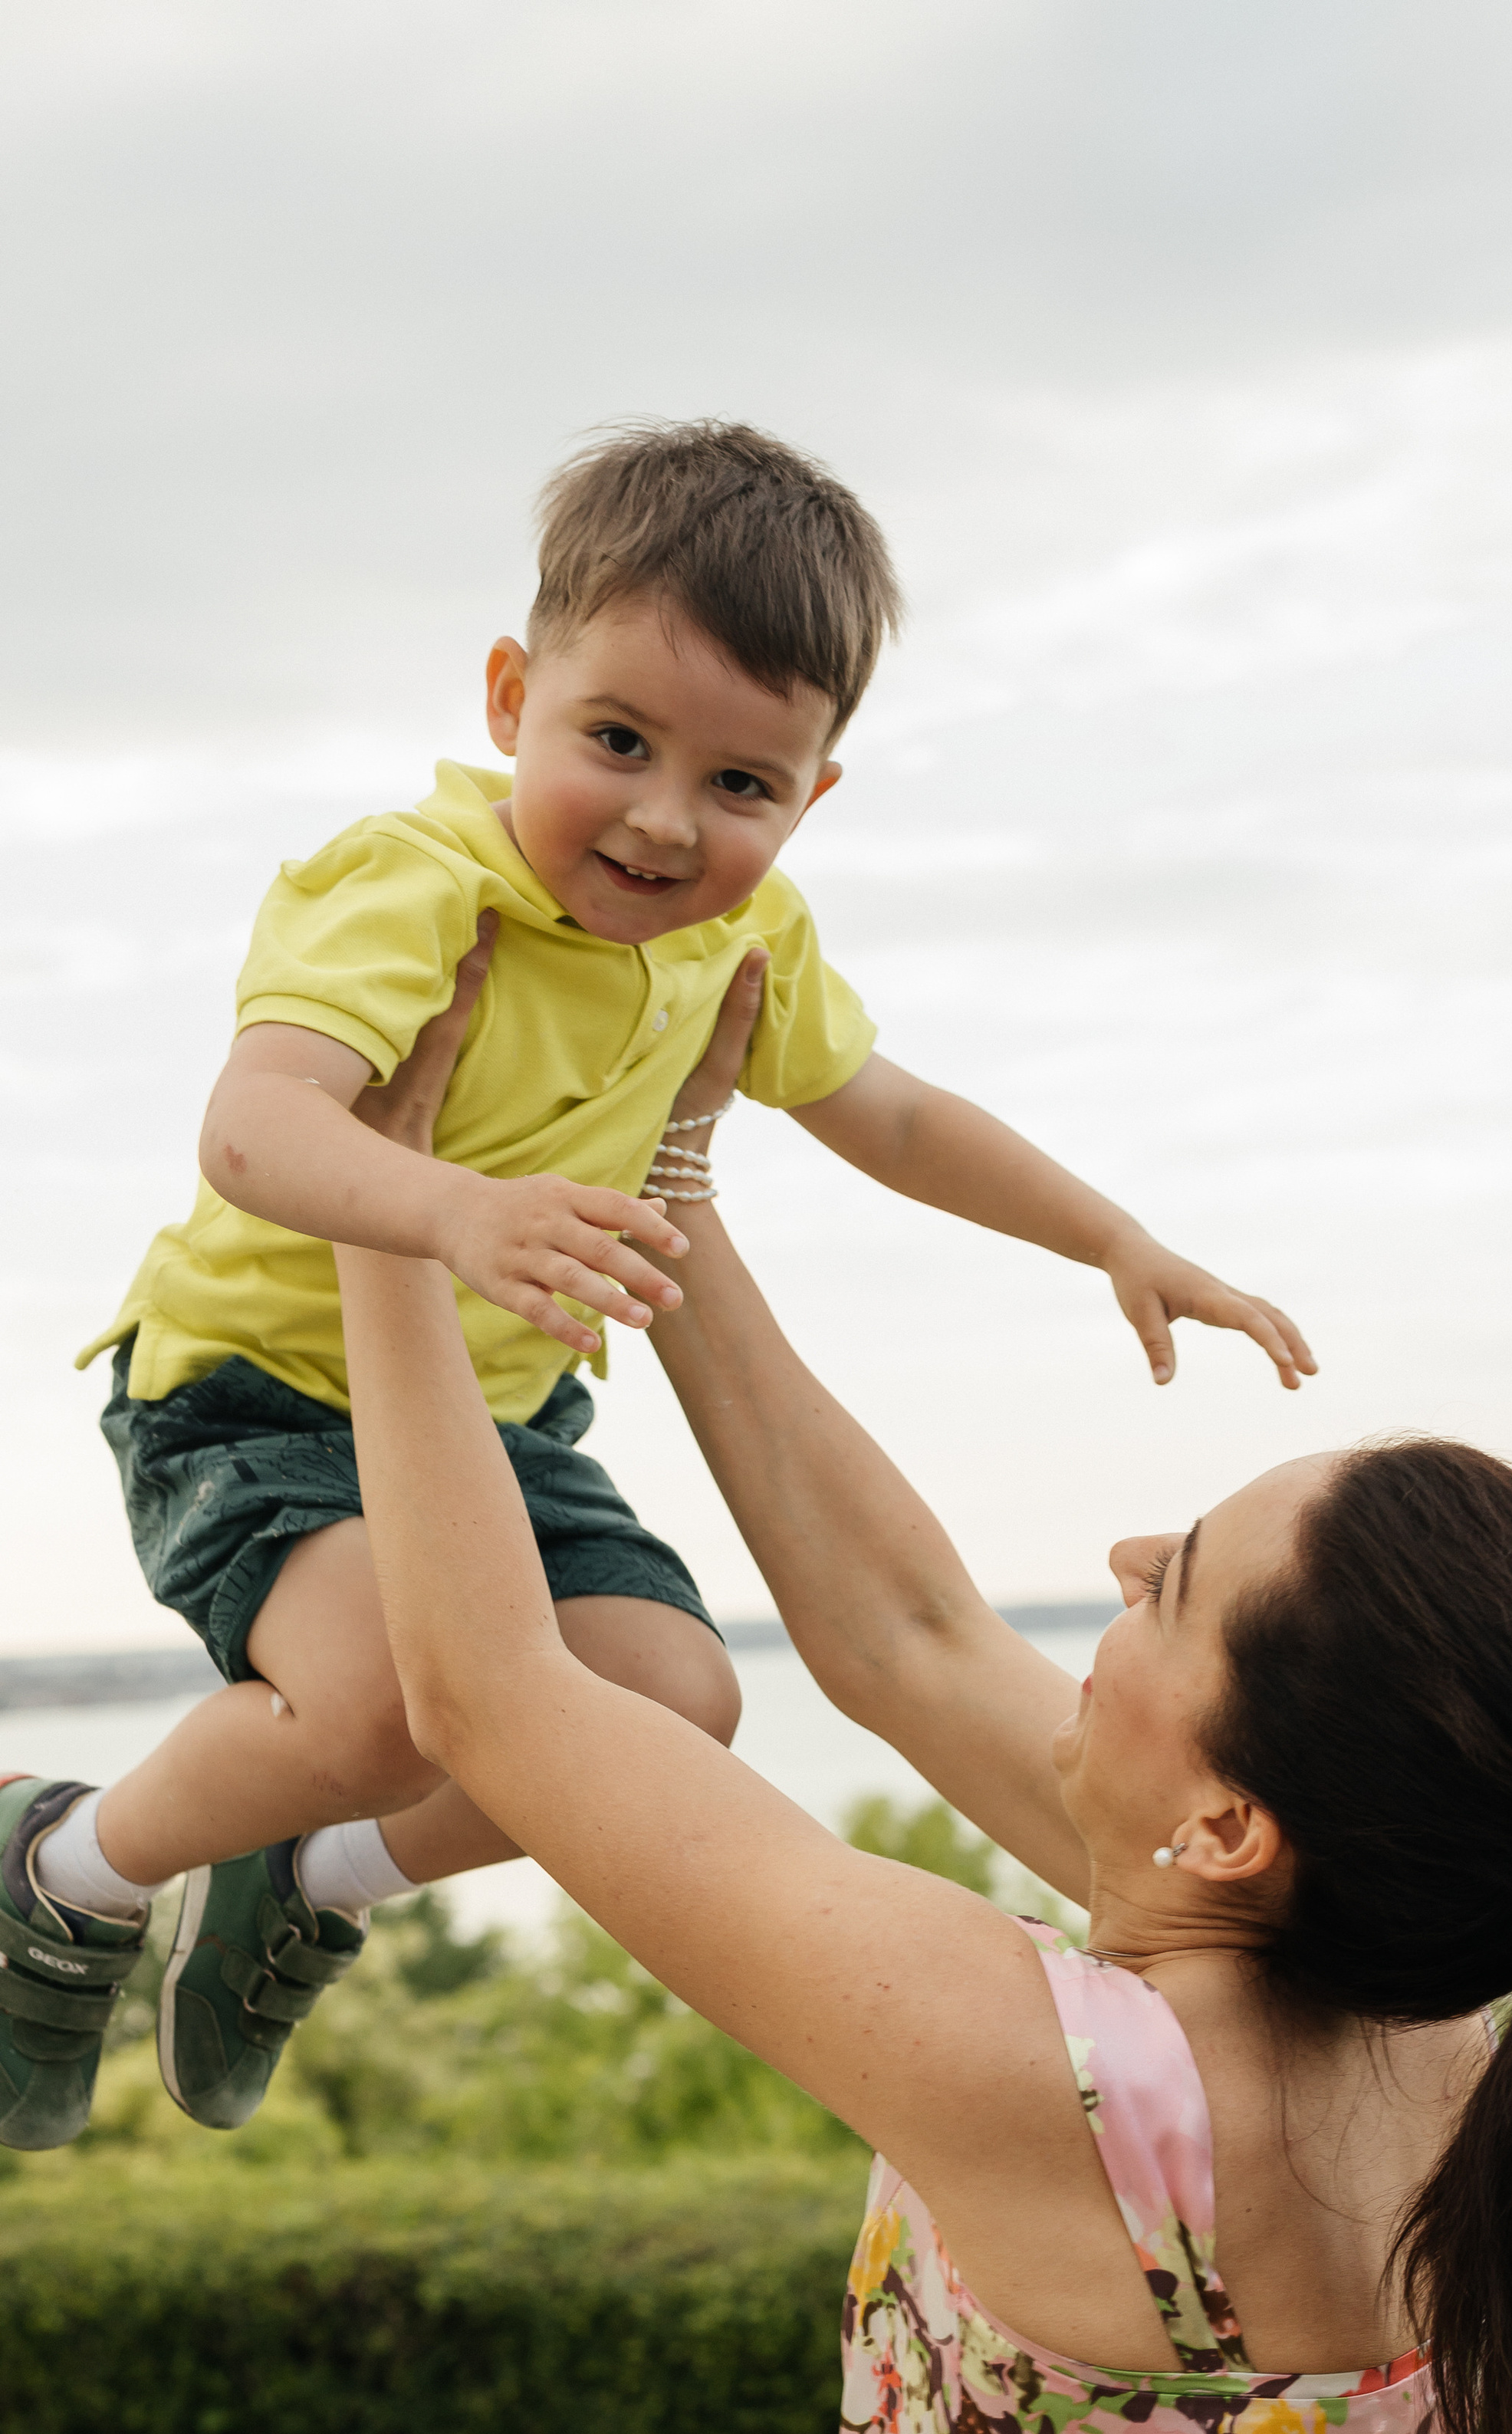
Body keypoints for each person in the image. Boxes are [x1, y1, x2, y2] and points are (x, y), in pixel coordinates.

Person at [337, 970, 1512, 2434]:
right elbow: (900, 1636)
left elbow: (494, 1698)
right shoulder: (1442, 2026)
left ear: (1230, 1825)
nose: (1131, 1555)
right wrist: (673, 1183)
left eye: (1186, 1583)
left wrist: (387, 1210)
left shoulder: (1064, 2090)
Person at [0, 419, 1310, 2153]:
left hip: (502, 1418)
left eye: (741, 786)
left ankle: (300, 1881)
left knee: (668, 1710)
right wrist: (450, 1212)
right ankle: (64, 1873)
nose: (662, 820)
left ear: (812, 793)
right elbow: (255, 1131)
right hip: (254, 1396)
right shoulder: (412, 886)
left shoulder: (740, 944)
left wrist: (1113, 1241)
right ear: (505, 697)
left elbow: (893, 1112)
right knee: (390, 1699)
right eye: (614, 741)